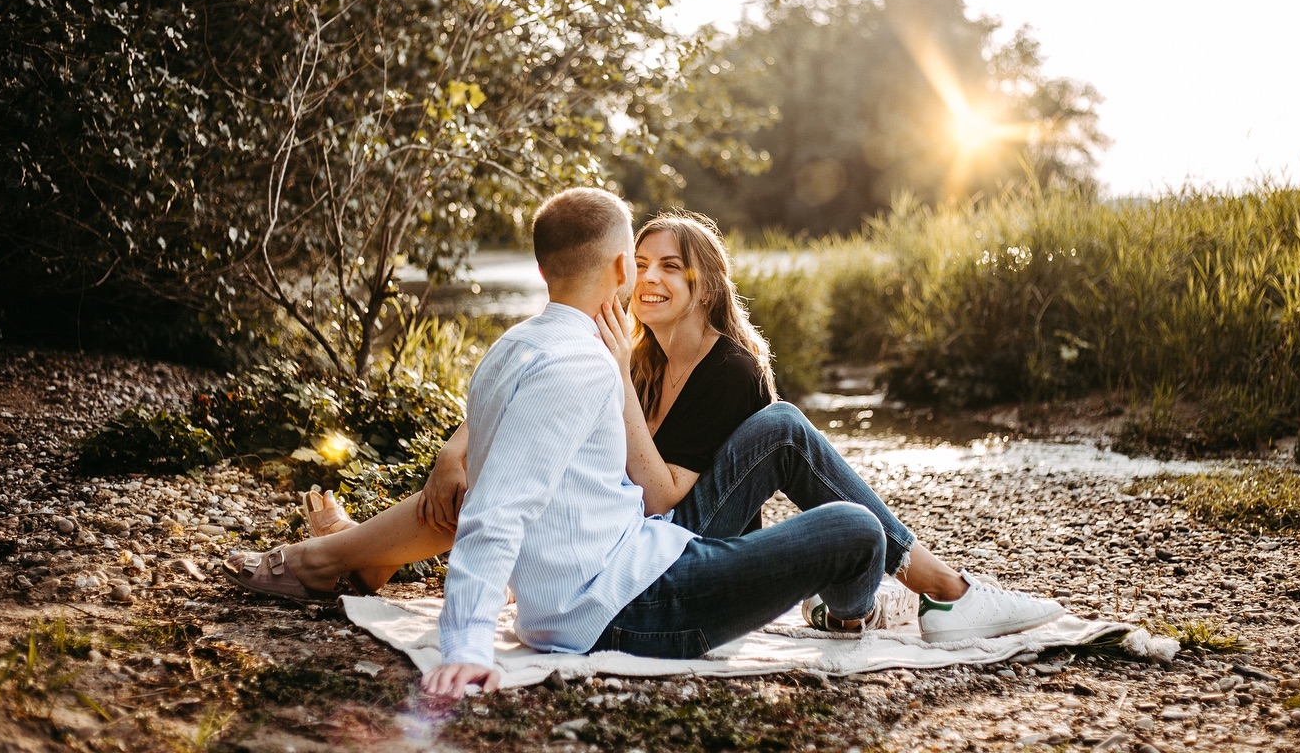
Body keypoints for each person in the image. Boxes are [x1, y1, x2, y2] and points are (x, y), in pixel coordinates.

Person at [224, 206, 1062, 648]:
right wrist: (456, 445)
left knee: (784, 428)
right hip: (616, 528)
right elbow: (528, 398)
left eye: (673, 267)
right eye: (645, 263)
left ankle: (930, 591)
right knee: (483, 476)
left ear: (705, 284)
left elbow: (665, 499)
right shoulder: (618, 348)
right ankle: (347, 561)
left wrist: (606, 377)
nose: (652, 279)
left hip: (674, 527)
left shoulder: (723, 369)